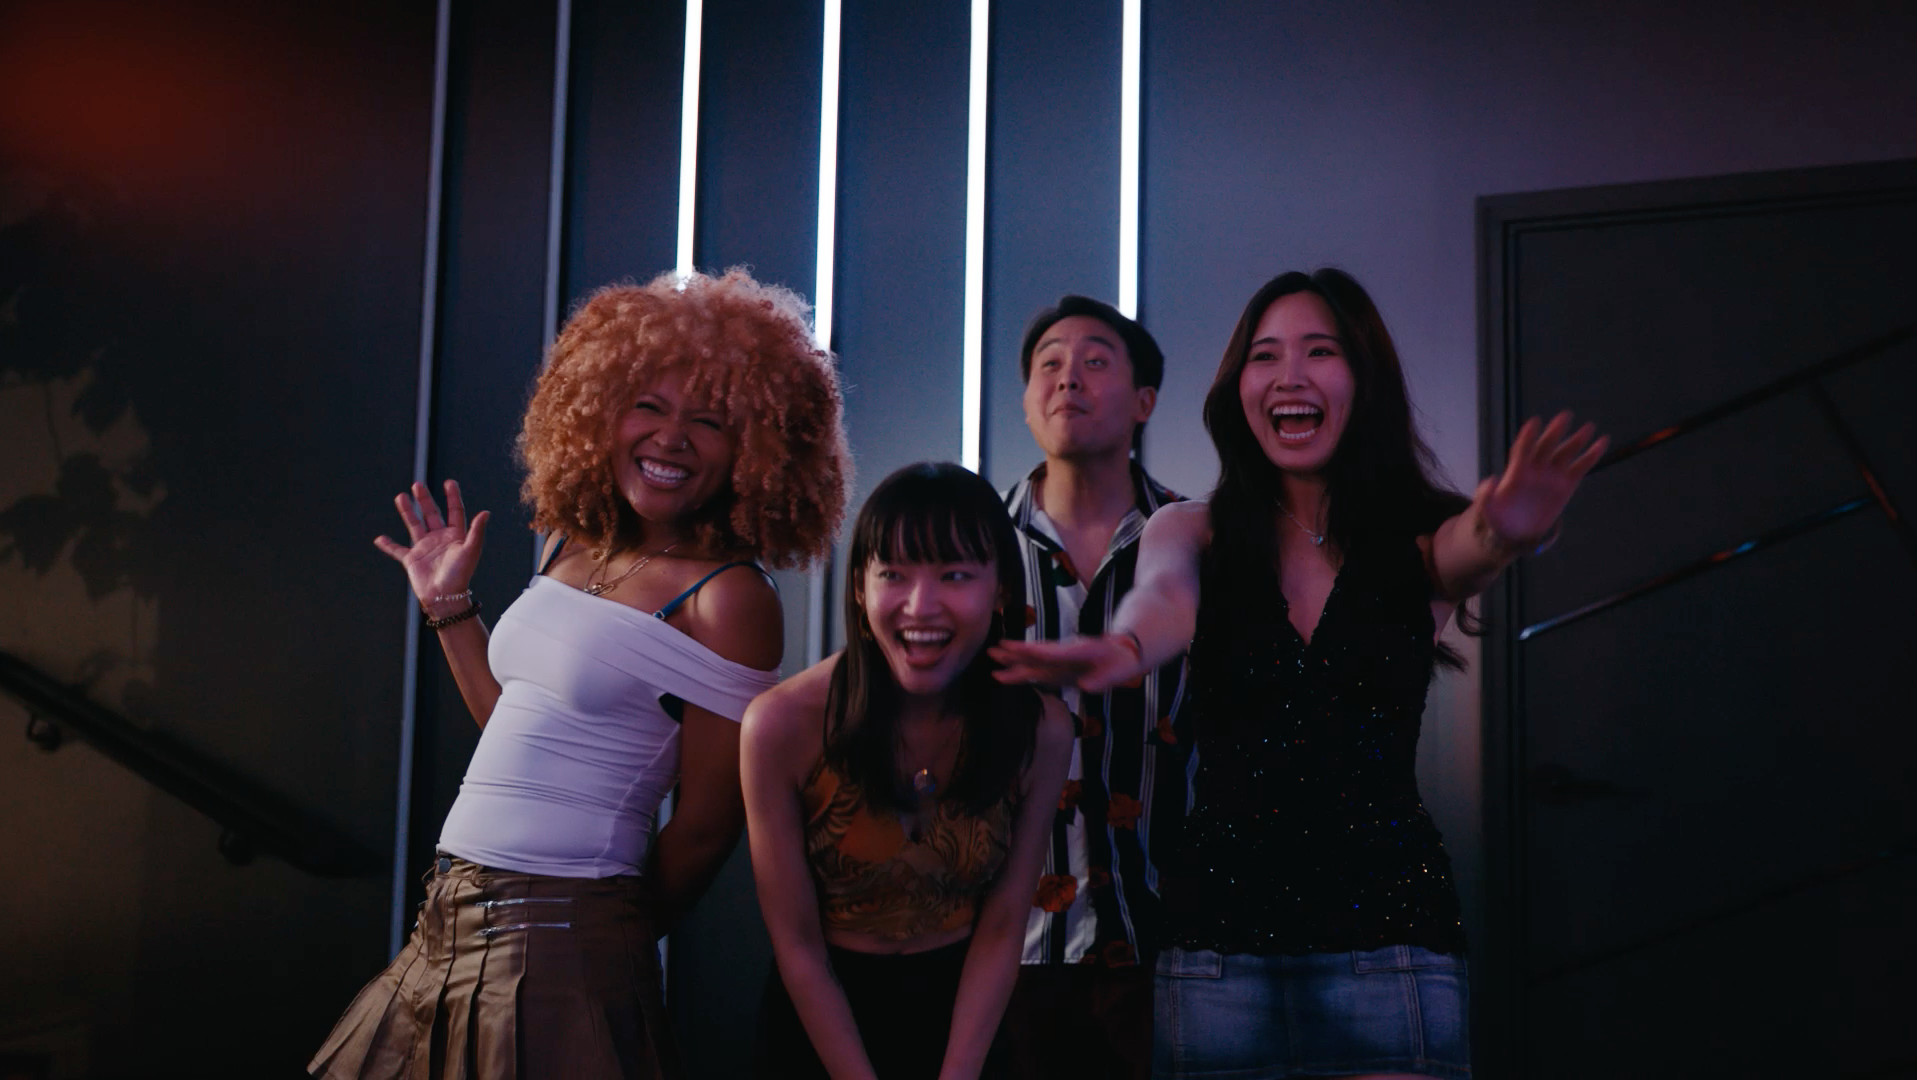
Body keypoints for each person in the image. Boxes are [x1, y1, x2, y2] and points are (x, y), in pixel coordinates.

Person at [992, 269, 1606, 1080]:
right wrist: (1121, 650)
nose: (1289, 375)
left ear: (1362, 378)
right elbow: (1163, 600)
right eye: (1265, 355)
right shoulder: (1192, 528)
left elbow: (1469, 550)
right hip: (1217, 954)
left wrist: (1503, 528)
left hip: (1391, 944)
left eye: (1319, 351)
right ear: (1238, 386)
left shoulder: (1414, 538)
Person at [310, 268, 850, 1080]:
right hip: (447, 912)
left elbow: (707, 823)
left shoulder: (730, 596)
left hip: (561, 933)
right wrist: (451, 605)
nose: (670, 437)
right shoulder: (572, 542)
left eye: (707, 421)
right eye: (649, 406)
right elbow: (519, 727)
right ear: (601, 411)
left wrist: (600, 944)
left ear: (756, 449)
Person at [742, 462, 1076, 1080]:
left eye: (954, 576)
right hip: (820, 1026)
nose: (921, 606)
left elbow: (1004, 927)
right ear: (861, 588)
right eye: (893, 574)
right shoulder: (779, 726)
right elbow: (798, 946)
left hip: (965, 1026)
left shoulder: (1041, 730)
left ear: (1001, 588)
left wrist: (957, 1073)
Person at [995, 297, 1187, 1080]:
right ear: (1025, 399)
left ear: (1144, 402)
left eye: (1095, 361)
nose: (1067, 377)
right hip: (1005, 950)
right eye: (1048, 363)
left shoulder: (1197, 537)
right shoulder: (969, 545)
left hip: (1174, 942)